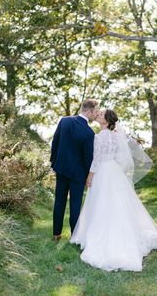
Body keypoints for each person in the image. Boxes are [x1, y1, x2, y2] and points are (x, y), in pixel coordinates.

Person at [70, 109, 157, 271]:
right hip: (114, 171)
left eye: (101, 114)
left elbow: (96, 159)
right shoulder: (117, 135)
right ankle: (126, 233)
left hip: (103, 171)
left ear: (106, 121)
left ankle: (103, 237)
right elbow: (120, 156)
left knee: (101, 204)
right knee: (117, 204)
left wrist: (90, 176)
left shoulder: (99, 137)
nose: (98, 114)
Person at [50, 99, 99, 240]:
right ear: (88, 111)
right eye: (95, 112)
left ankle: (56, 234)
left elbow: (55, 142)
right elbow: (87, 158)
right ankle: (74, 236)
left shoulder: (64, 121)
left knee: (59, 201)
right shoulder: (89, 133)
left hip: (61, 168)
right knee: (75, 205)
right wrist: (87, 176)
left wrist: (54, 163)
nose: (96, 114)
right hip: (78, 174)